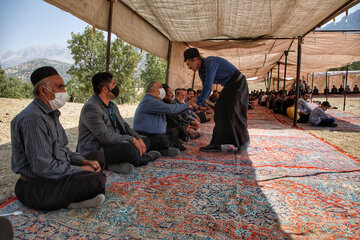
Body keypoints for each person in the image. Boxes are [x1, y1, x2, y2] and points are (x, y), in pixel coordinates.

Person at [11, 66, 106, 211]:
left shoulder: (50, 114)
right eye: (59, 86)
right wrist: (80, 169)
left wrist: (84, 161)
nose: (64, 91)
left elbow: (62, 150)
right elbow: (44, 167)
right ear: (43, 90)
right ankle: (67, 201)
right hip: (38, 186)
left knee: (97, 158)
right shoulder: (33, 119)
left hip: (55, 175)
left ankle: (71, 196)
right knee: (95, 179)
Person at [77, 72, 160, 174]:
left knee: (145, 140)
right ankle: (145, 158)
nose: (116, 86)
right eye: (113, 84)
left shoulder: (112, 105)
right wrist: (131, 140)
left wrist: (137, 138)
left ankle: (114, 163)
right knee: (128, 149)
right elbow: (105, 137)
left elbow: (124, 125)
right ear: (105, 89)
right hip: (97, 149)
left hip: (114, 143)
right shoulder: (91, 107)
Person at [184, 48, 249, 153]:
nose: (189, 68)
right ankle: (216, 144)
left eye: (189, 64)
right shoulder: (201, 71)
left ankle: (244, 141)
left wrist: (197, 102)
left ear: (195, 59)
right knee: (219, 110)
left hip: (239, 84)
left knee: (235, 112)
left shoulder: (210, 62)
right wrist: (197, 101)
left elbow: (208, 86)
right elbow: (205, 87)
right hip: (228, 86)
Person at [133, 81, 197, 157]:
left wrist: (187, 106)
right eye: (160, 88)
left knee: (173, 133)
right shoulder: (149, 101)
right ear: (153, 90)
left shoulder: (156, 101)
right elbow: (170, 109)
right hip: (146, 134)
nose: (162, 90)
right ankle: (161, 150)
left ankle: (164, 148)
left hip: (155, 134)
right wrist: (187, 105)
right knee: (163, 140)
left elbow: (172, 112)